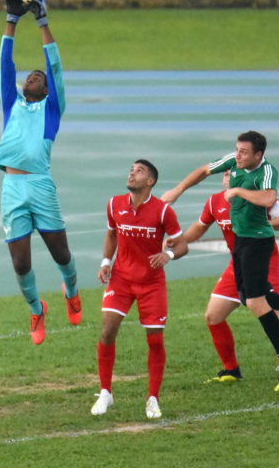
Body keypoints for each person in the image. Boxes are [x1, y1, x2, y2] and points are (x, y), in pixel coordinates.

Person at [161, 130, 279, 392]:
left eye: (243, 153)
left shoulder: (265, 173)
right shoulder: (218, 196)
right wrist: (177, 194)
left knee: (261, 306)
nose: (236, 159)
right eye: (236, 152)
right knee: (228, 309)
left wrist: (241, 194)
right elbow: (203, 175)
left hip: (261, 248)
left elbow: (274, 203)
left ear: (258, 154)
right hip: (241, 250)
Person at [0, 0, 81, 345]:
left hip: (41, 185)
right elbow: (5, 65)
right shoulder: (11, 104)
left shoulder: (52, 110)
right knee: (20, 264)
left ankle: (71, 290)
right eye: (30, 75)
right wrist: (11, 20)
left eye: (40, 78)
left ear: (48, 91)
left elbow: (54, 67)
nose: (34, 76)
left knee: (61, 253)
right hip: (12, 188)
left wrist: (43, 22)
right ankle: (36, 309)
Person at [91, 159, 188, 419]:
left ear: (150, 181)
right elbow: (112, 234)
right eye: (132, 169)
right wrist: (105, 262)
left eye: (139, 171)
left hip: (151, 283)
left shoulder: (163, 211)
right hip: (121, 279)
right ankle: (105, 392)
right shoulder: (114, 204)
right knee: (107, 331)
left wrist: (168, 254)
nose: (132, 173)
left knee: (155, 340)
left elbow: (182, 245)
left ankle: (152, 398)